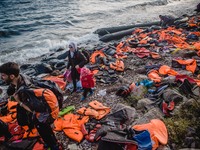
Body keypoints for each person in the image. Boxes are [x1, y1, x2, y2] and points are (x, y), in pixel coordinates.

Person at [0, 62, 60, 150]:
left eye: (3, 75)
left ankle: (54, 146)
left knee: (44, 131)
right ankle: (51, 142)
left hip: (43, 114)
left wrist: (19, 101)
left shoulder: (24, 90)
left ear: (12, 76)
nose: (2, 78)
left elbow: (32, 109)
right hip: (43, 107)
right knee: (46, 131)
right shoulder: (22, 77)